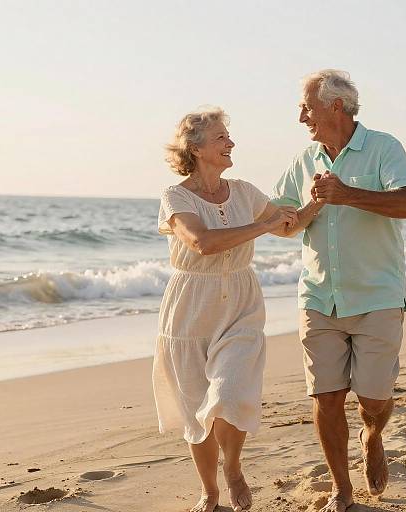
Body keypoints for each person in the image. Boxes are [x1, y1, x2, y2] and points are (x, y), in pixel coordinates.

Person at [271, 69, 406, 512]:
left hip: (377, 296)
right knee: (326, 396)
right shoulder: (303, 161)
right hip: (318, 296)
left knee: (374, 401)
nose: (301, 116)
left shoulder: (383, 147)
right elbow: (283, 220)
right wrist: (301, 211)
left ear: (335, 106)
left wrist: (347, 194)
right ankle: (342, 487)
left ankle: (373, 436)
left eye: (306, 107)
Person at [152, 107, 297, 512]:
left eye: (228, 136)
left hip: (240, 302)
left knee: (231, 393)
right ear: (196, 148)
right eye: (220, 137)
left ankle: (232, 468)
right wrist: (263, 226)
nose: (230, 142)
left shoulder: (246, 192)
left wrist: (317, 202)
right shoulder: (175, 196)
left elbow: (288, 226)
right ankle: (209, 490)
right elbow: (202, 242)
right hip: (189, 308)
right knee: (196, 410)